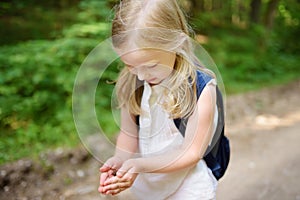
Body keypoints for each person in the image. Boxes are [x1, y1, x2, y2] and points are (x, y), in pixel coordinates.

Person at [98, 0, 220, 199]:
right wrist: (121, 160)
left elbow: (192, 153)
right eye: (129, 65)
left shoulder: (201, 89)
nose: (140, 76)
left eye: (152, 65)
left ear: (177, 43)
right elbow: (128, 134)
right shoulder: (132, 83)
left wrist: (140, 165)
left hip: (189, 185)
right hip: (149, 186)